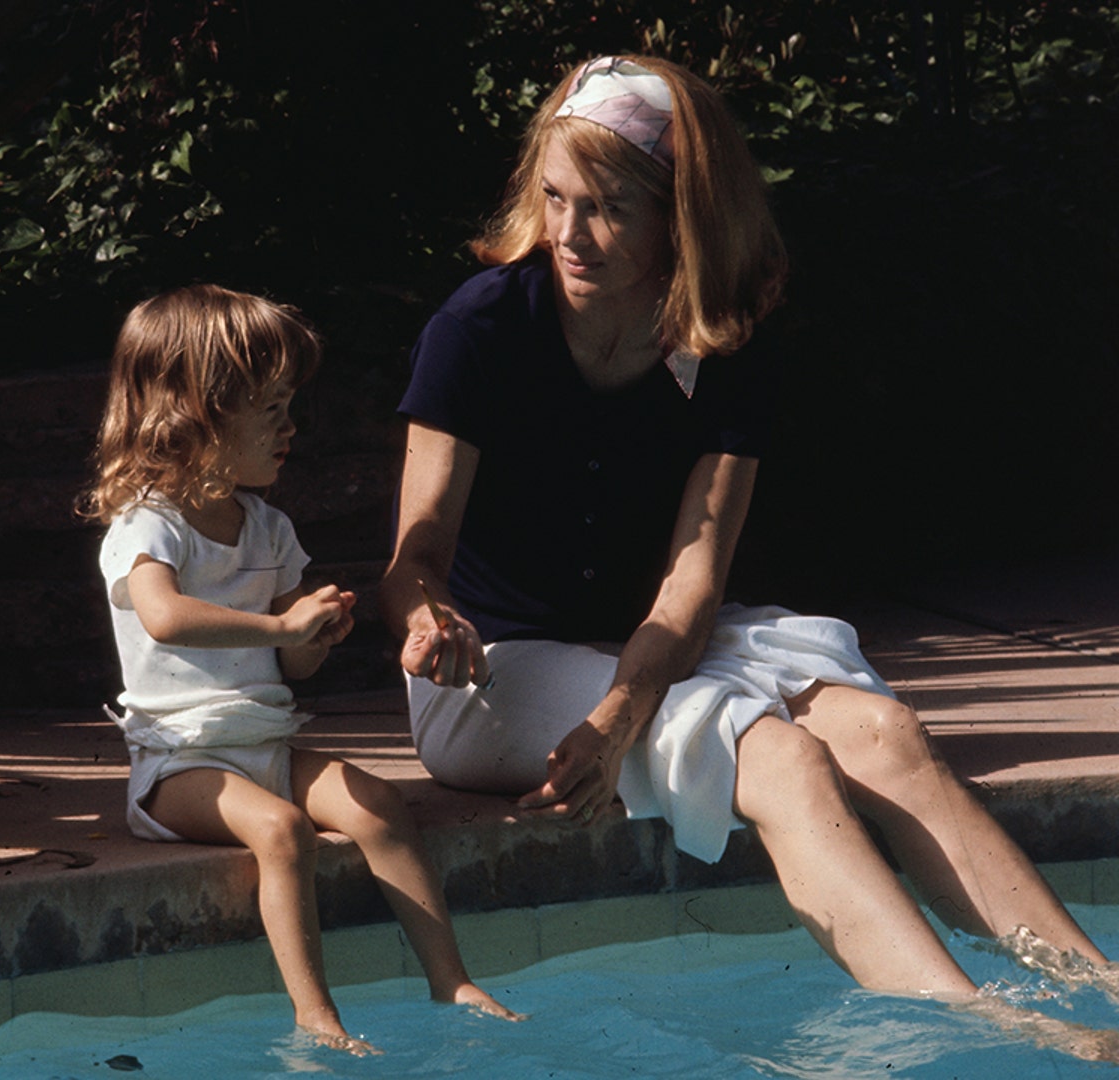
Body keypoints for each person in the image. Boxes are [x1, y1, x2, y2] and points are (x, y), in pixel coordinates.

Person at [383, 55, 1110, 996]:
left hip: (647, 651)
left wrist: (616, 716)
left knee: (886, 733)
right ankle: (986, 1032)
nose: (570, 234)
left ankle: (1100, 993)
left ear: (679, 213)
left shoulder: (721, 343)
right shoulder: (477, 328)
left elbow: (693, 585)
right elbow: (417, 558)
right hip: (494, 673)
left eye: (607, 208)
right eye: (556, 197)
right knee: (777, 756)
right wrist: (426, 620)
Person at [86, 285, 519, 1054]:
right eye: (273, 410)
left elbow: (291, 661)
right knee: (283, 831)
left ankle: (451, 978)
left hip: (264, 747)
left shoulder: (268, 526)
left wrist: (315, 634)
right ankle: (315, 1015)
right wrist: (281, 620)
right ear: (200, 413)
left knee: (380, 802)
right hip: (179, 765)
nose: (292, 428)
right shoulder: (147, 524)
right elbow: (164, 616)